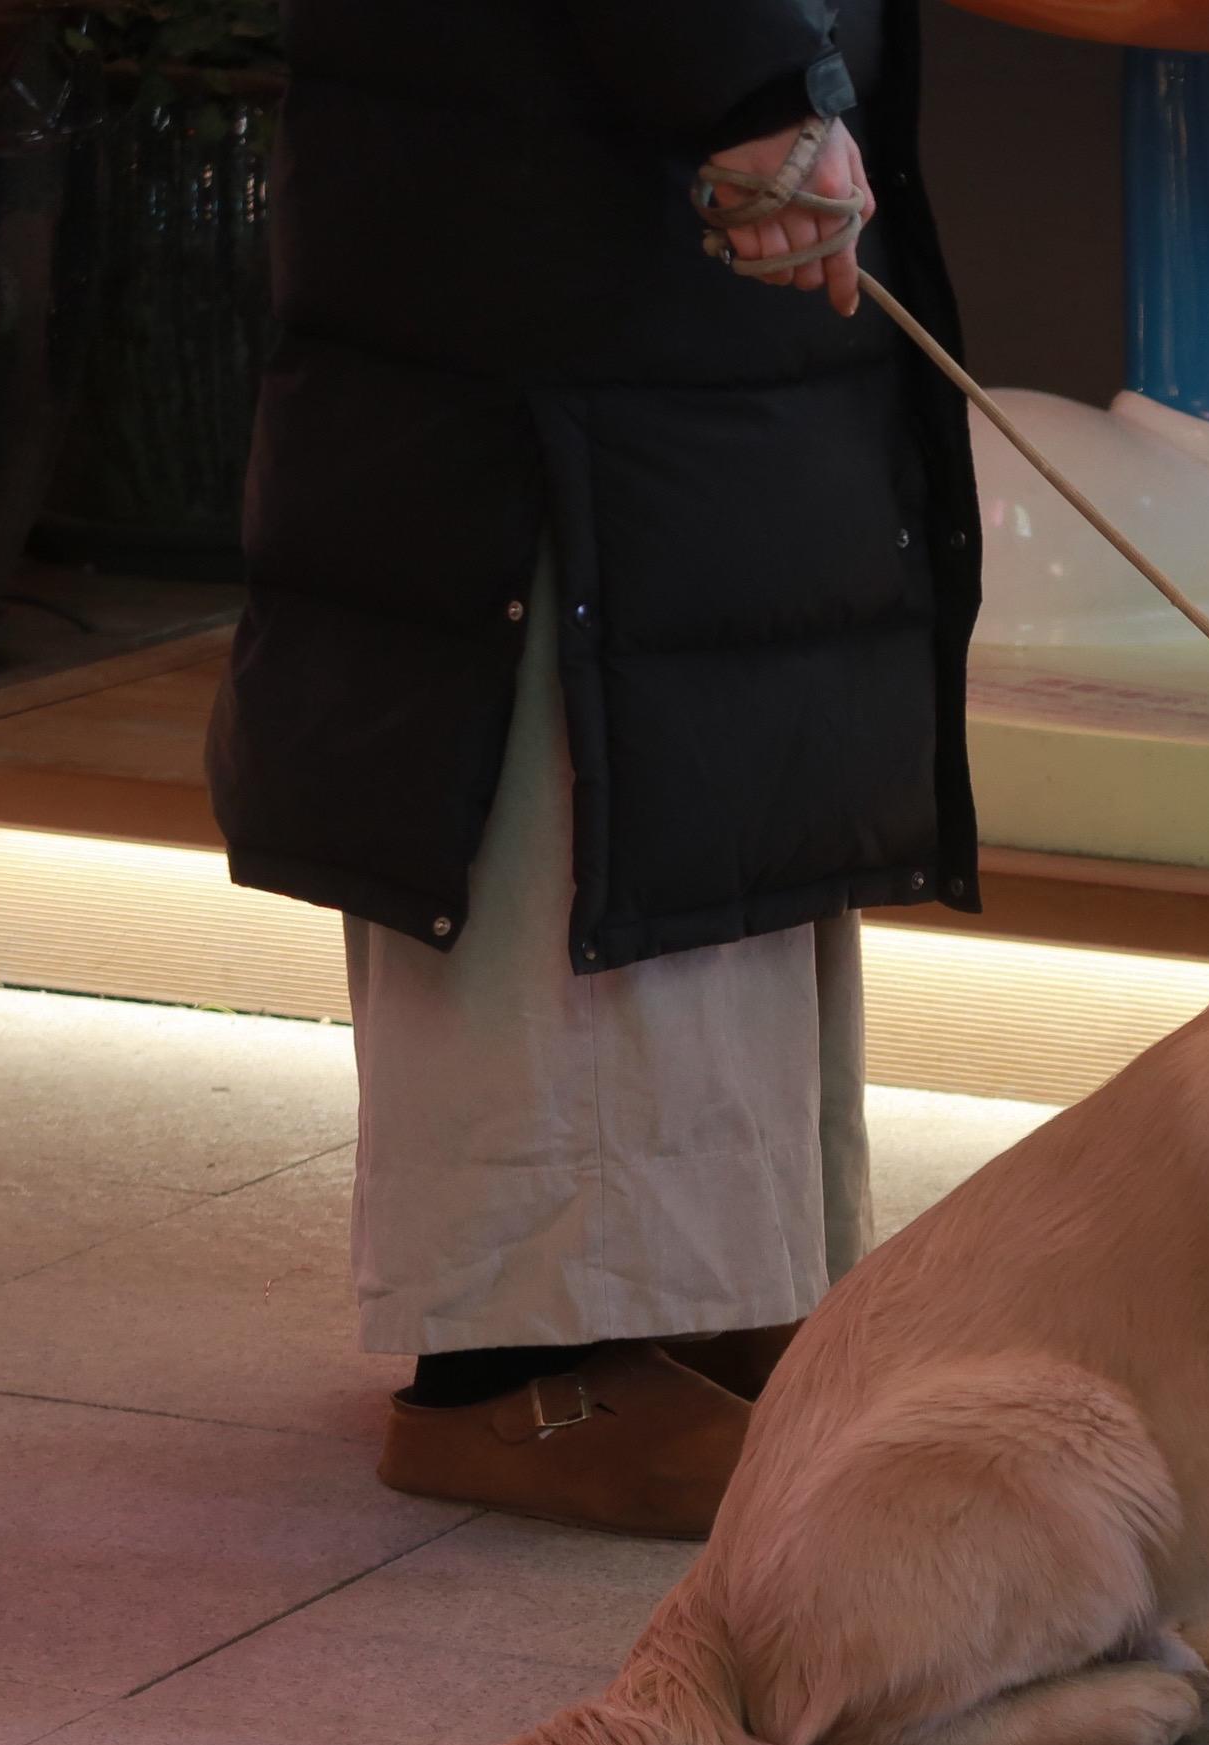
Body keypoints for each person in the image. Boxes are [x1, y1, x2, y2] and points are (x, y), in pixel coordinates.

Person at [208, 0, 982, 1537]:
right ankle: (516, 1364)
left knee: (723, 709)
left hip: (658, 159)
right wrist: (752, 81)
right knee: (567, 743)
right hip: (555, 183)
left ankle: (702, 1289)